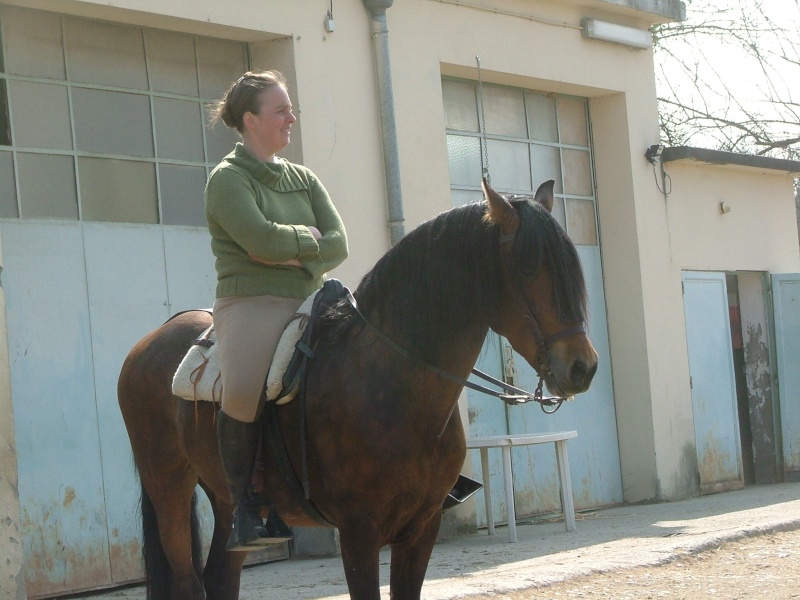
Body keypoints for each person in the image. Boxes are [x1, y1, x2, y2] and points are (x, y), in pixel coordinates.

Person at [205, 70, 348, 550]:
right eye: (281, 110)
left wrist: (290, 248)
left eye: (291, 109)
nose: (291, 119)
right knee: (244, 388)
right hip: (253, 300)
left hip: (314, 296)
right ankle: (245, 506)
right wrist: (306, 241)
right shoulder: (227, 180)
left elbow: (339, 244)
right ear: (250, 120)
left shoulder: (304, 179)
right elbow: (259, 241)